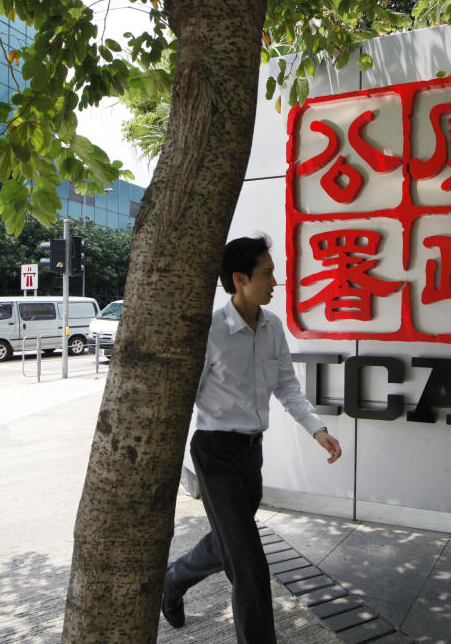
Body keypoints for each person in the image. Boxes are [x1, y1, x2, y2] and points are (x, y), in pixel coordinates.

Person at [162, 235, 341, 643]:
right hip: (214, 454)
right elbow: (184, 395)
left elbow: (287, 387)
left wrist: (318, 429)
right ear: (240, 278)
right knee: (251, 567)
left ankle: (173, 580)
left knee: (230, 543)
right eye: (267, 272)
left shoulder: (272, 326)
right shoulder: (210, 331)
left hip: (250, 457)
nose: (275, 281)